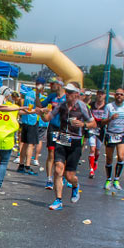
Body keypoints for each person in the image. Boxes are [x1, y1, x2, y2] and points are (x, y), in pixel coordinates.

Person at [39, 82, 96, 210]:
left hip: (75, 141)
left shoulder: (82, 107)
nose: (67, 94)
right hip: (62, 139)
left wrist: (83, 125)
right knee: (58, 169)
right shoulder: (61, 105)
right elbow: (47, 118)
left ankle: (75, 185)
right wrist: (42, 113)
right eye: (67, 92)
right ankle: (58, 200)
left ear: (76, 94)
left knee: (69, 176)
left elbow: (94, 124)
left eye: (70, 92)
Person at [0, 91, 32, 194]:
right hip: (6, 140)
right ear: (8, 96)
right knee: (3, 163)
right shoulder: (14, 108)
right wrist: (38, 111)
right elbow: (26, 112)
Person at [103, 88, 124, 191]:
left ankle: (116, 180)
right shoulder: (109, 106)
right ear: (114, 95)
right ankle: (108, 179)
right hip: (110, 134)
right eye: (117, 94)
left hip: (122, 134)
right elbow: (103, 122)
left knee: (121, 157)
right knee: (109, 158)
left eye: (121, 94)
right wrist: (110, 118)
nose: (119, 96)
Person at [40, 77, 68, 189]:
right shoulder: (52, 96)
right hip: (53, 127)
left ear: (59, 85)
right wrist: (37, 95)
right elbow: (40, 105)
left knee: (63, 154)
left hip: (64, 128)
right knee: (51, 153)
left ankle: (62, 176)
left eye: (52, 84)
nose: (50, 86)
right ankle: (49, 179)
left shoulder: (67, 97)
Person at [16, 80, 40, 175]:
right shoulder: (38, 96)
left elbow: (25, 105)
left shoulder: (28, 93)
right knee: (30, 145)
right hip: (32, 121)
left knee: (24, 144)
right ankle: (27, 166)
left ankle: (21, 164)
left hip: (25, 120)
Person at [86, 90, 107, 178]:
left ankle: (95, 160)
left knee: (97, 150)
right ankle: (91, 170)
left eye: (102, 94)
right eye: (98, 94)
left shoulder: (106, 106)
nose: (100, 96)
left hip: (101, 130)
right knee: (92, 149)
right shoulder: (91, 105)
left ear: (104, 96)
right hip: (92, 129)